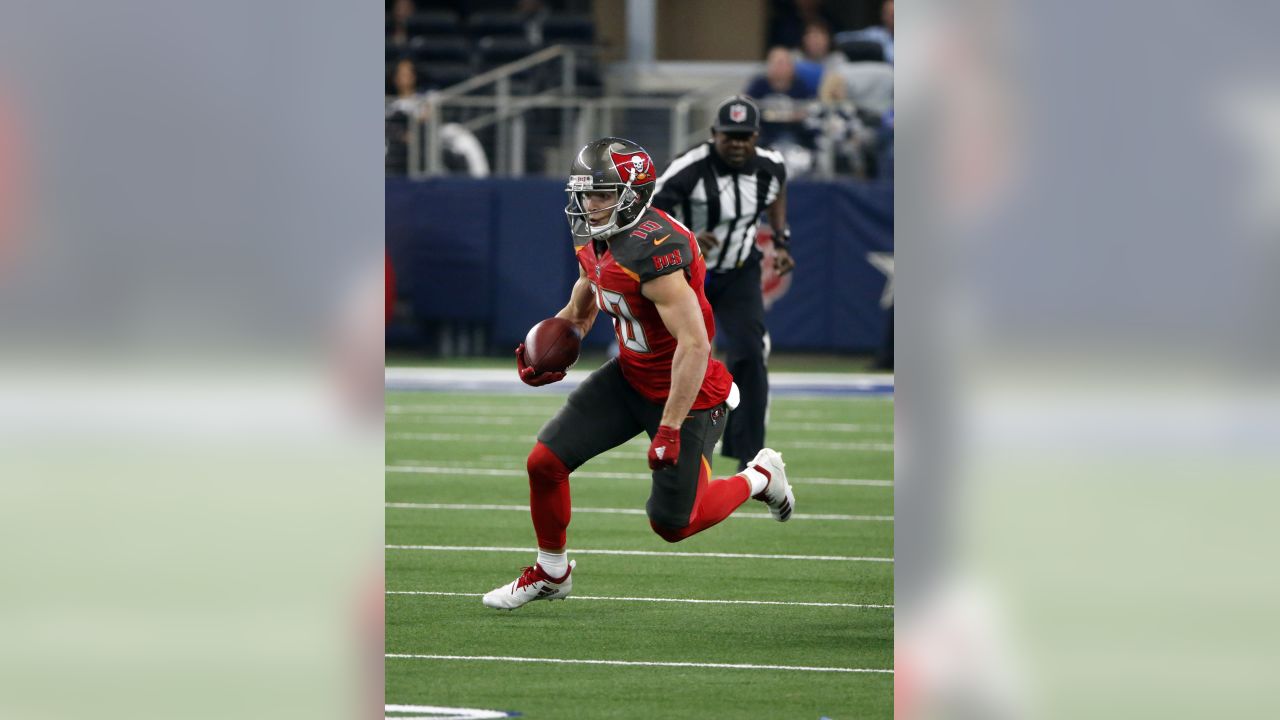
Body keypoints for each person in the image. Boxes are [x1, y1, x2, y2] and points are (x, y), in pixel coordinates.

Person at [482, 137, 795, 610]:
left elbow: (694, 344)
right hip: (630, 375)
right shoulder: (593, 231)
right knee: (544, 463)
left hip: (687, 393)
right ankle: (551, 571)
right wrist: (564, 334)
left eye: (603, 193)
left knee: (673, 524)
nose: (590, 204)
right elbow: (591, 282)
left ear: (634, 193)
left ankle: (760, 477)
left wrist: (669, 427)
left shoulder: (656, 251)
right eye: (585, 193)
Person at [650, 97, 792, 473]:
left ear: (756, 137)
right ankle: (668, 436)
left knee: (749, 351)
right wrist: (689, 236)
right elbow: (649, 213)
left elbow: (776, 193)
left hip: (739, 269)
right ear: (714, 135)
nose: (738, 144)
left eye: (745, 137)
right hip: (686, 275)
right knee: (675, 355)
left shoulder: (770, 167)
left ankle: (751, 458)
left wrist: (781, 241)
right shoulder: (689, 168)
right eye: (730, 136)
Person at [744, 47, 818, 150]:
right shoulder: (759, 84)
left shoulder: (800, 86)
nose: (781, 68)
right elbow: (746, 104)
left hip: (795, 135)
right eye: (777, 63)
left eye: (784, 64)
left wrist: (801, 115)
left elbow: (812, 107)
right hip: (765, 135)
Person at [835, 0, 894, 64]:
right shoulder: (875, 33)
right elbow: (843, 37)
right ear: (883, 15)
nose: (891, 18)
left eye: (893, 14)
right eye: (888, 13)